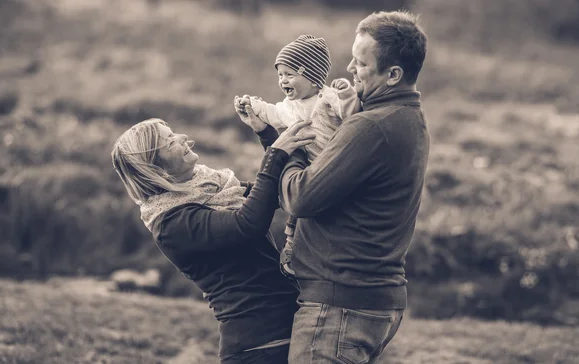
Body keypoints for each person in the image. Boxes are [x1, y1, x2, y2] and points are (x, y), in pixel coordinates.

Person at [279, 10, 429, 364]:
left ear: (393, 74)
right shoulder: (409, 118)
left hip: (340, 307)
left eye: (361, 63)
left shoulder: (370, 128)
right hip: (366, 301)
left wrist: (285, 148)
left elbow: (299, 197)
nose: (348, 68)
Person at [110, 117, 314, 364]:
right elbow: (248, 223)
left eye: (174, 132)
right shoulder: (172, 224)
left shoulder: (213, 191)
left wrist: (267, 134)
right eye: (169, 141)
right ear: (155, 168)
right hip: (259, 345)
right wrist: (275, 154)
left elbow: (279, 194)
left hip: (285, 329)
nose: (182, 137)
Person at [234, 34, 361, 277]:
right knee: (297, 209)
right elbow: (270, 113)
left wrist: (346, 94)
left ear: (313, 78)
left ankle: (333, 251)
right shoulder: (288, 107)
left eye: (290, 74)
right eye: (280, 74)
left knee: (334, 208)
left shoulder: (326, 98)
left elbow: (352, 116)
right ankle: (292, 246)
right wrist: (252, 105)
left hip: (335, 163)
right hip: (308, 170)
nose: (283, 80)